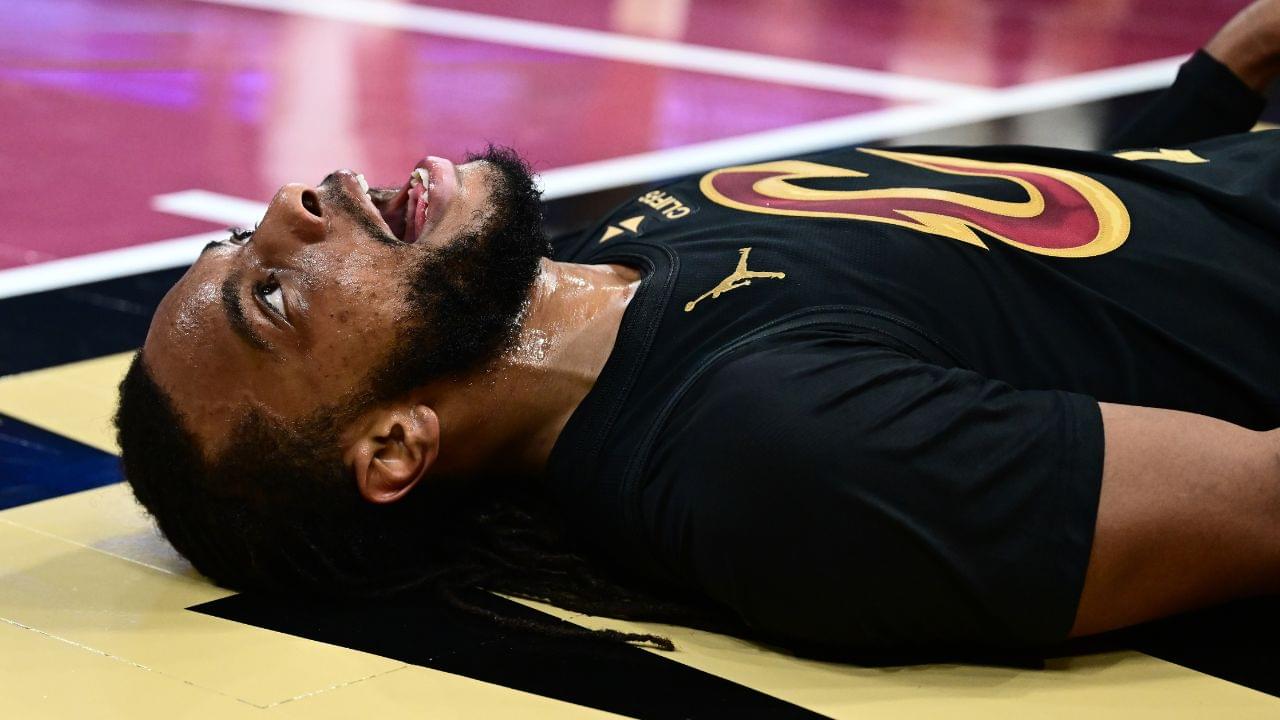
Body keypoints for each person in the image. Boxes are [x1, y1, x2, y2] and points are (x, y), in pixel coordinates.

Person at [116, 3, 1280, 656]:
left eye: (242, 238)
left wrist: (1225, 73)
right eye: (270, 295)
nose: (288, 207)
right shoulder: (782, 450)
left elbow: (1043, 280)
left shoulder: (625, 241)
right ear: (392, 448)